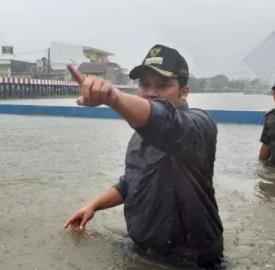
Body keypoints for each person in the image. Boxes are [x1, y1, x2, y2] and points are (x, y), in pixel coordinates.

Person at [64, 44, 225, 269]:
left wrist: (112, 97)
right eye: (144, 84)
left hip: (190, 260)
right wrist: (93, 206)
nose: (151, 92)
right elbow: (130, 183)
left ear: (184, 91)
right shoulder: (139, 137)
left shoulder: (199, 126)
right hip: (141, 249)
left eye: (163, 85)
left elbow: (166, 120)